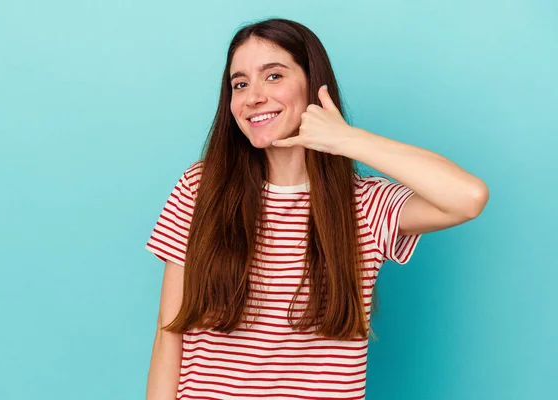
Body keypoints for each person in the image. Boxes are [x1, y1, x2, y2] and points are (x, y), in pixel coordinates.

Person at [144, 18, 489, 400]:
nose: (253, 96)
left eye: (273, 76)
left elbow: (468, 197)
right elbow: (168, 330)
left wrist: (347, 139)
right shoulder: (199, 189)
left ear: (313, 84)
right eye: (239, 84)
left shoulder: (364, 206)